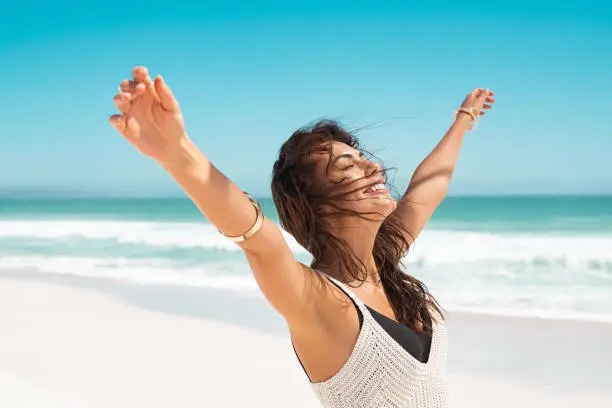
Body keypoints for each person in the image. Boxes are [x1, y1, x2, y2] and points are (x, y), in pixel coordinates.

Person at [109, 66, 494, 408]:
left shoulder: (385, 262)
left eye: (364, 159)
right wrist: (177, 153)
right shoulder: (320, 301)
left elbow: (429, 187)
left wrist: (464, 118)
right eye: (348, 166)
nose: (374, 167)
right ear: (316, 203)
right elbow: (256, 237)